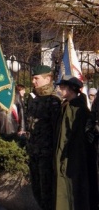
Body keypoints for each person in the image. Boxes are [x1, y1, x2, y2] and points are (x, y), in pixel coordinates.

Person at [55, 75, 97, 210]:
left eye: (62, 87)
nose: (59, 90)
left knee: (75, 192)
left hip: (73, 159)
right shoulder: (66, 106)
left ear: (71, 89)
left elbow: (77, 140)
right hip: (65, 157)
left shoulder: (79, 110)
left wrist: (65, 158)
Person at [25, 65, 62, 210]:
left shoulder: (54, 100)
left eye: (36, 78)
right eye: (33, 78)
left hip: (47, 154)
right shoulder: (34, 99)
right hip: (34, 152)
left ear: (48, 78)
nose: (33, 81)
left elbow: (57, 130)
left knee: (48, 192)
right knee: (37, 191)